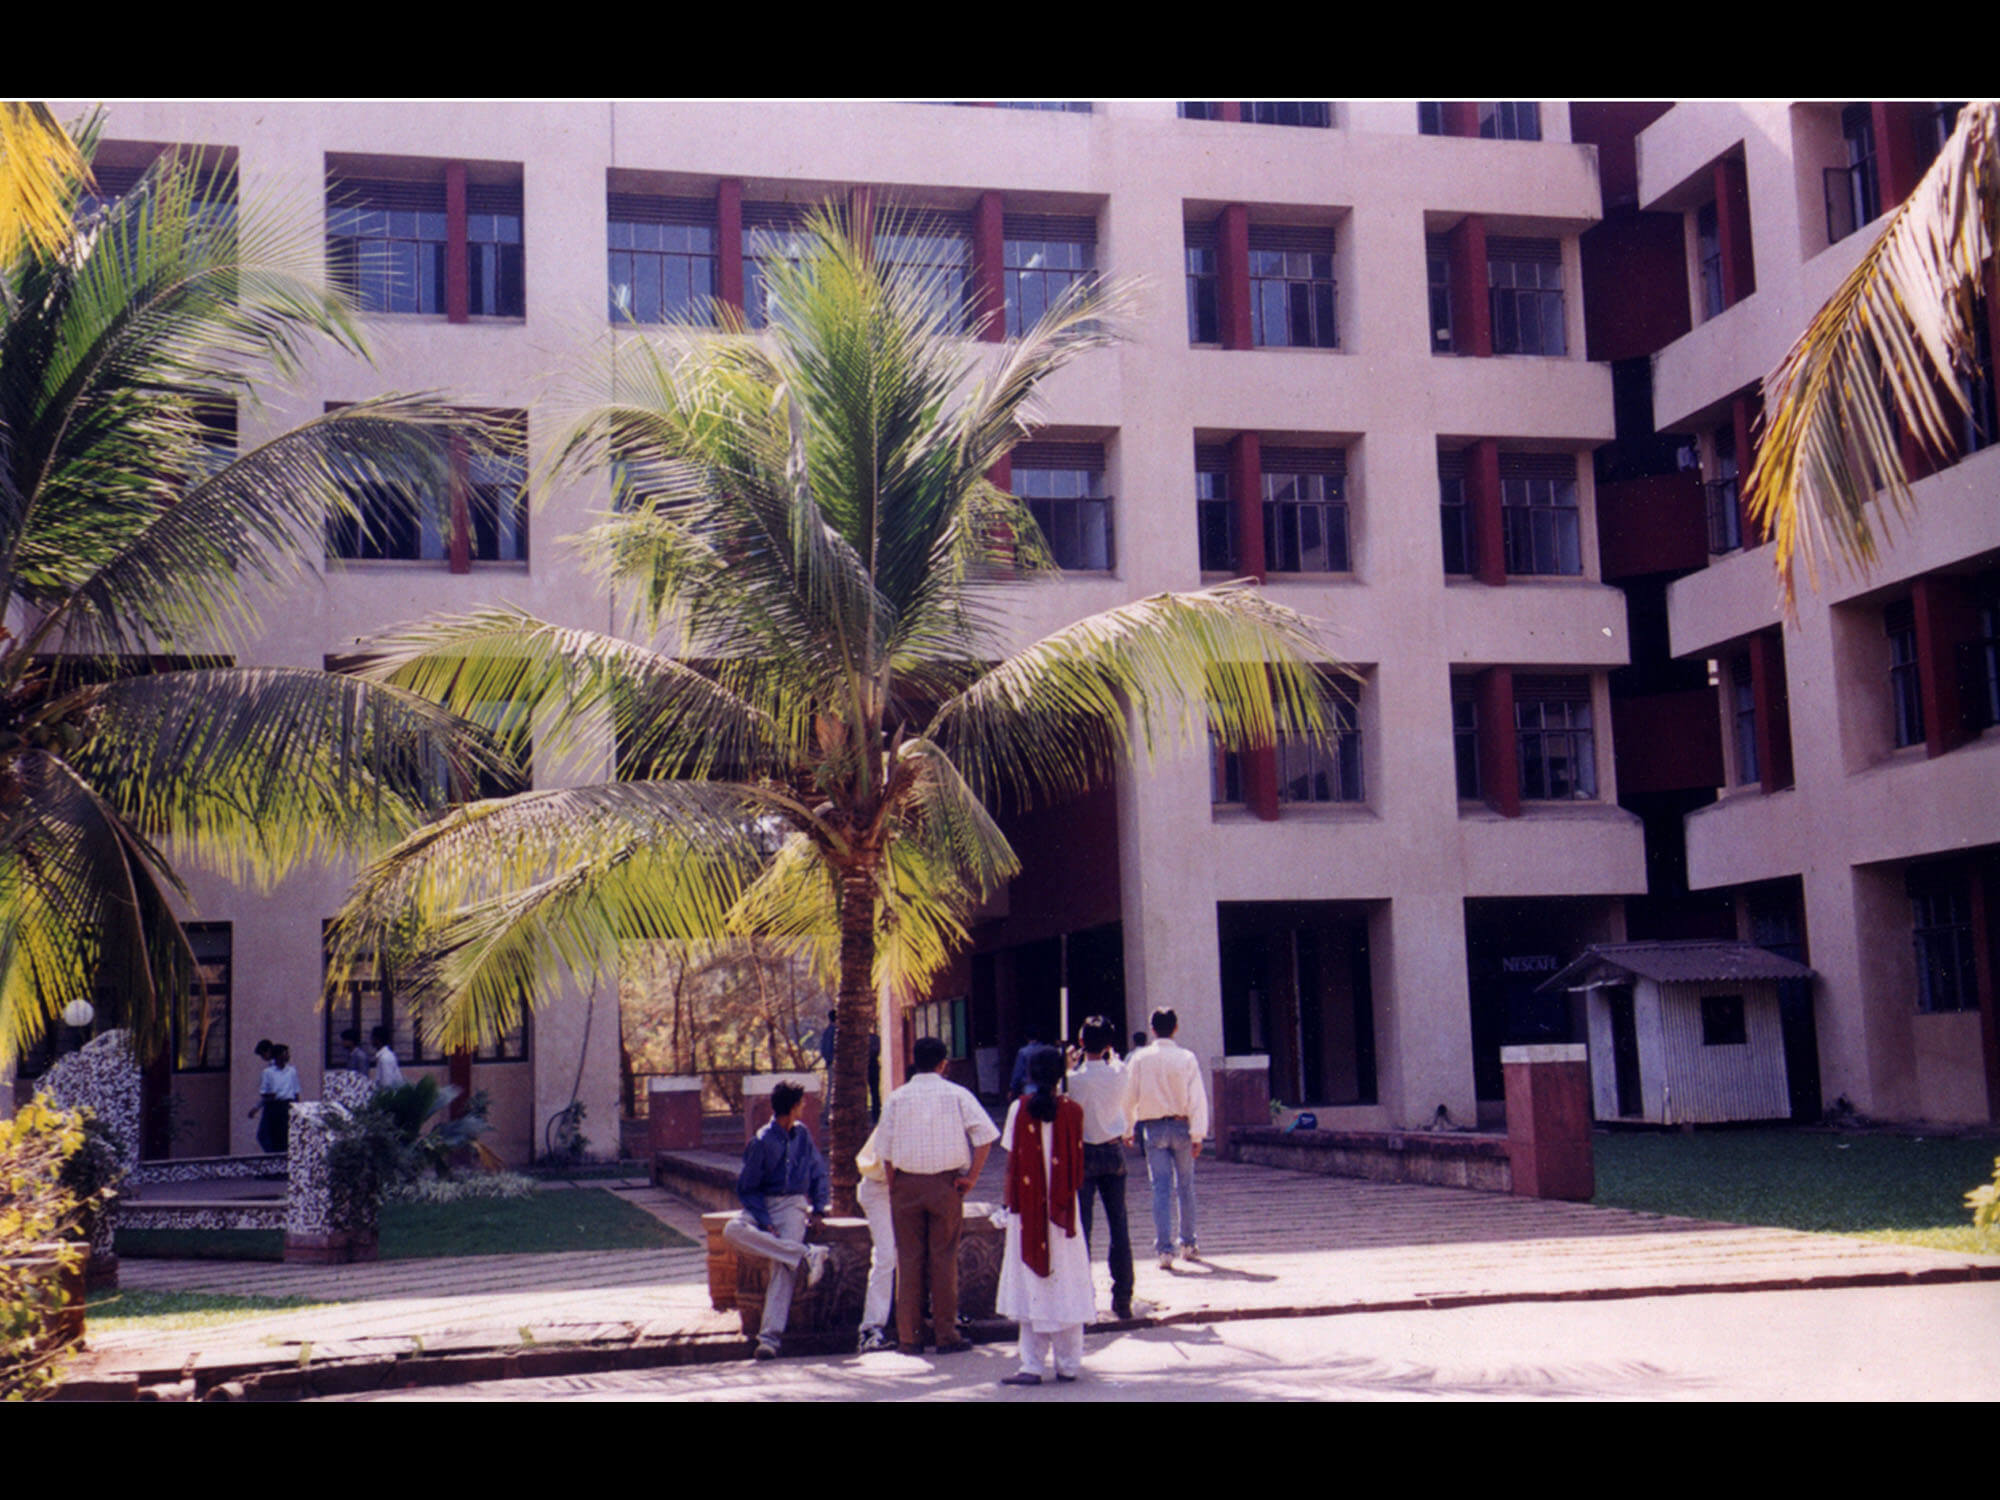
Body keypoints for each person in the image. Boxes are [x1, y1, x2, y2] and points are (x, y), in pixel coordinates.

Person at [874, 1035, 998, 1354]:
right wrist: (971, 1177)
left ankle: (910, 1337)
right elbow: (985, 1137)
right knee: (943, 1259)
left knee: (909, 1259)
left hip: (905, 1184)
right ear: (944, 1064)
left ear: (914, 1062)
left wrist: (895, 1184)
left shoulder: (896, 1098)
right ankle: (945, 1333)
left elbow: (883, 1150)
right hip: (946, 1185)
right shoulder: (957, 1094)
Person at [996, 1045, 1094, 1386]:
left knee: (1032, 1284)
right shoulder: (1073, 1111)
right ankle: (1068, 1364)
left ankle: (1032, 1365)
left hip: (1028, 1209)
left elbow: (1011, 1162)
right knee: (1066, 1280)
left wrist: (1007, 1203)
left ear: (1030, 1075)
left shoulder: (1018, 1110)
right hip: (1063, 1210)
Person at [722, 1080, 832, 1360]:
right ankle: (806, 1254)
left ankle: (769, 1339)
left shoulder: (802, 1135)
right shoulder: (761, 1141)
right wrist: (763, 1219)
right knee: (732, 1229)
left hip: (793, 1205)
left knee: (783, 1265)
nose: (803, 1107)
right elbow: (747, 1188)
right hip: (763, 1205)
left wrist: (819, 1210)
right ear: (793, 1107)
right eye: (801, 1103)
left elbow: (818, 1172)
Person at [1124, 1007, 1208, 1270]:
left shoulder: (1140, 1059)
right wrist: (1198, 1133)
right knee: (1185, 1186)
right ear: (1176, 1028)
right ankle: (1188, 1243)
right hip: (1182, 1126)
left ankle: (1164, 1249)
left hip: (1153, 1128)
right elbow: (1197, 1098)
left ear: (1152, 1029)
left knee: (1160, 1188)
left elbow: (1129, 1096)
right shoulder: (1186, 1058)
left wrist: (1128, 1128)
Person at [1064, 1016, 1134, 1320]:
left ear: (1081, 1043)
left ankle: (1084, 1297)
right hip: (1112, 1148)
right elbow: (1117, 1064)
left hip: (1084, 1151)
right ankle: (1123, 1298)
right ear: (1108, 1045)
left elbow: (1064, 1093)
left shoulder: (1073, 1079)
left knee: (1083, 1228)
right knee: (1119, 1225)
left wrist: (1068, 1064)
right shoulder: (1119, 1073)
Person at [853, 1123, 896, 1353]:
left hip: (902, 1189)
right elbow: (887, 1162)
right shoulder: (897, 1113)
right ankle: (871, 1329)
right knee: (886, 1255)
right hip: (879, 1188)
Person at [248, 1042, 301, 1153]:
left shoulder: (291, 1071)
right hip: (274, 1105)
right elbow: (265, 1092)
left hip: (286, 1104)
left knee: (282, 1135)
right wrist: (258, 1106)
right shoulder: (268, 1072)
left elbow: (295, 1091)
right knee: (271, 1135)